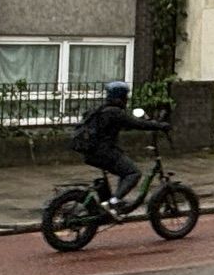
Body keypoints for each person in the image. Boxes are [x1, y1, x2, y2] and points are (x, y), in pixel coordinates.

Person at [71, 81, 172, 213]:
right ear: (121, 96)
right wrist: (160, 125)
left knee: (123, 170)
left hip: (91, 152)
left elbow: (120, 125)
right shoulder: (115, 112)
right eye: (126, 96)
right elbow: (136, 124)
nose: (127, 99)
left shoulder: (100, 109)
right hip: (104, 152)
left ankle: (108, 204)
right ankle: (114, 201)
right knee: (133, 173)